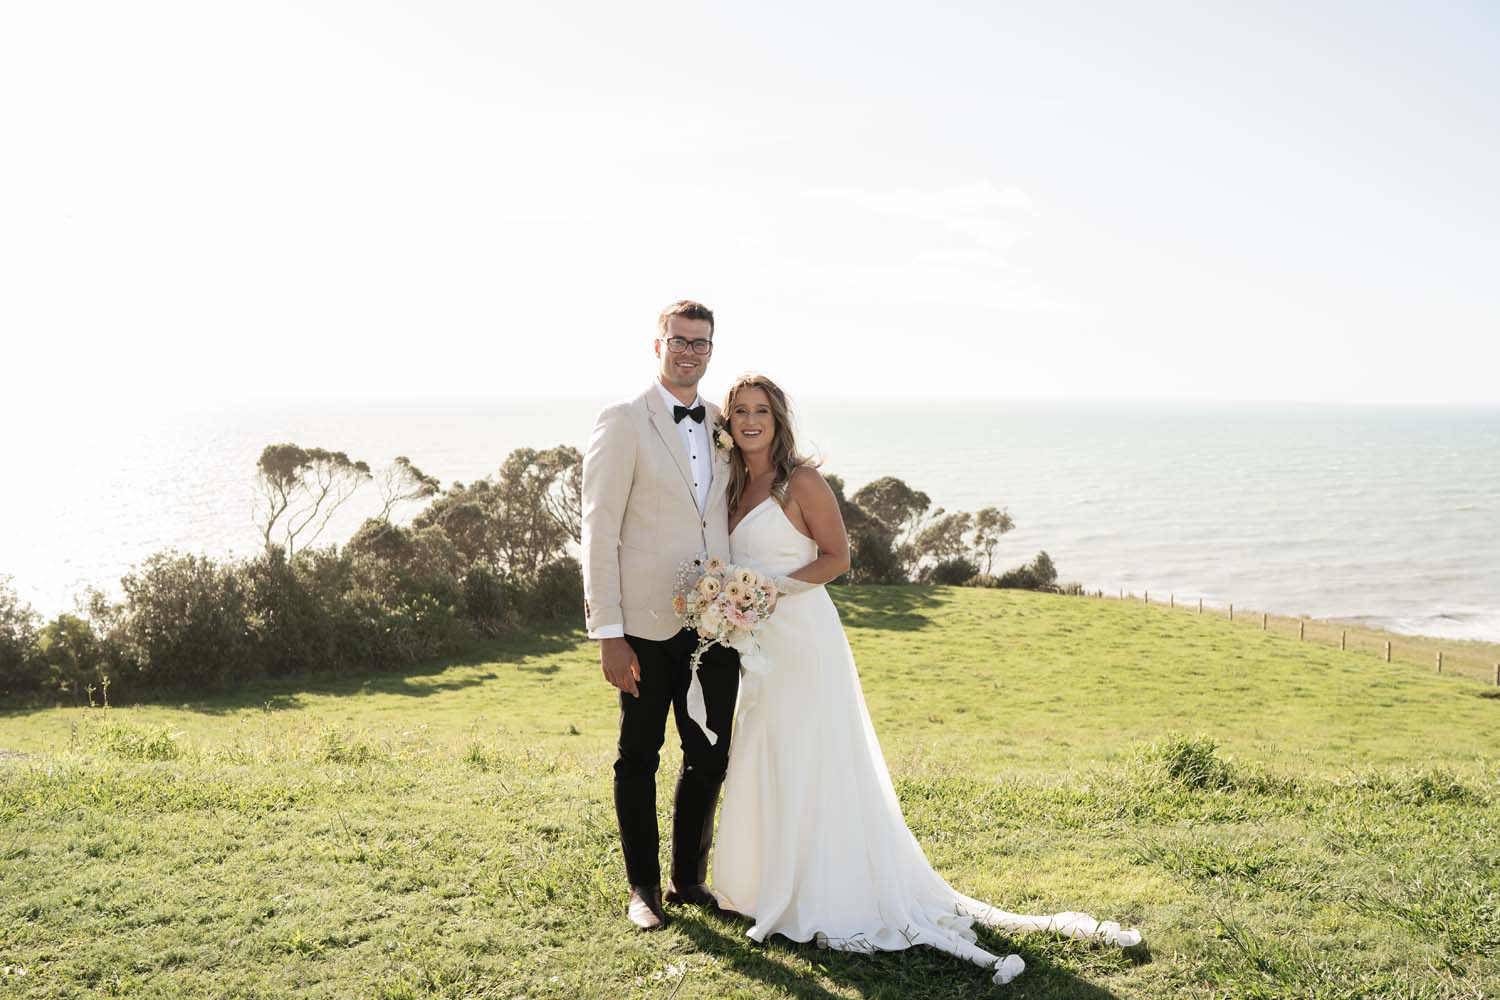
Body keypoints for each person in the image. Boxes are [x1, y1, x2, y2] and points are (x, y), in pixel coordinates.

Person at [709, 374, 1142, 986]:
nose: (751, 420)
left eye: (762, 411)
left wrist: (766, 590)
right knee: (766, 748)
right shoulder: (730, 481)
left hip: (804, 637)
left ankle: (825, 886)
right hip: (758, 644)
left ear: (779, 419)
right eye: (740, 411)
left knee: (813, 753)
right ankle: (766, 881)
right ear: (728, 421)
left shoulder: (799, 481)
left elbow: (837, 557)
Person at [580, 300, 740, 931]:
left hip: (716, 624)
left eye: (700, 343)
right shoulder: (623, 421)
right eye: (679, 340)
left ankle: (687, 879)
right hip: (643, 626)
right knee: (638, 756)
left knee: (710, 756)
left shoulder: (725, 423)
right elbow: (599, 530)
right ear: (657, 345)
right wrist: (608, 633)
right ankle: (642, 889)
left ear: (710, 351)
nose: (689, 351)